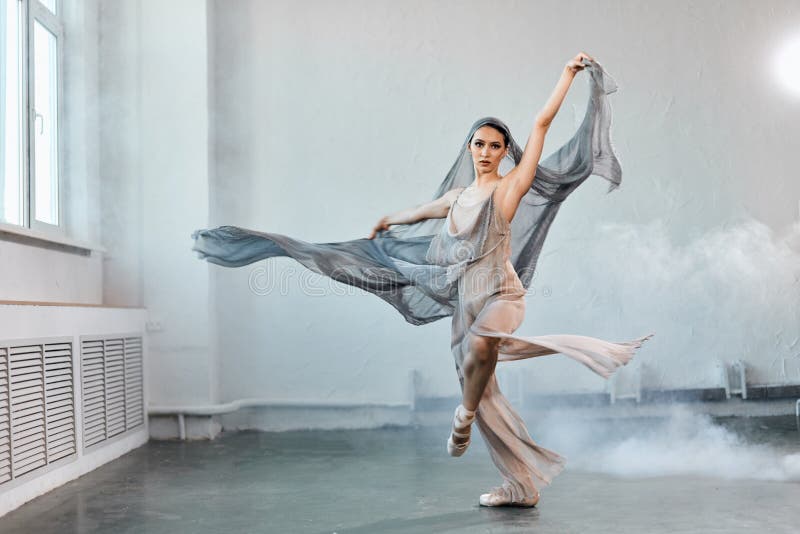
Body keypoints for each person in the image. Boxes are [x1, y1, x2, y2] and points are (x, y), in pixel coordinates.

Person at [192, 52, 653, 508]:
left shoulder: (510, 187)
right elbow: (422, 212)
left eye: (495, 145)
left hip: (502, 294)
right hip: (465, 300)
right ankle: (521, 485)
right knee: (489, 392)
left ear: (504, 150)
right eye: (479, 144)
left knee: (482, 347)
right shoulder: (458, 196)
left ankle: (462, 419)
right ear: (469, 147)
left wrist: (566, 76)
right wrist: (388, 220)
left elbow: (540, 125)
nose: (487, 152)